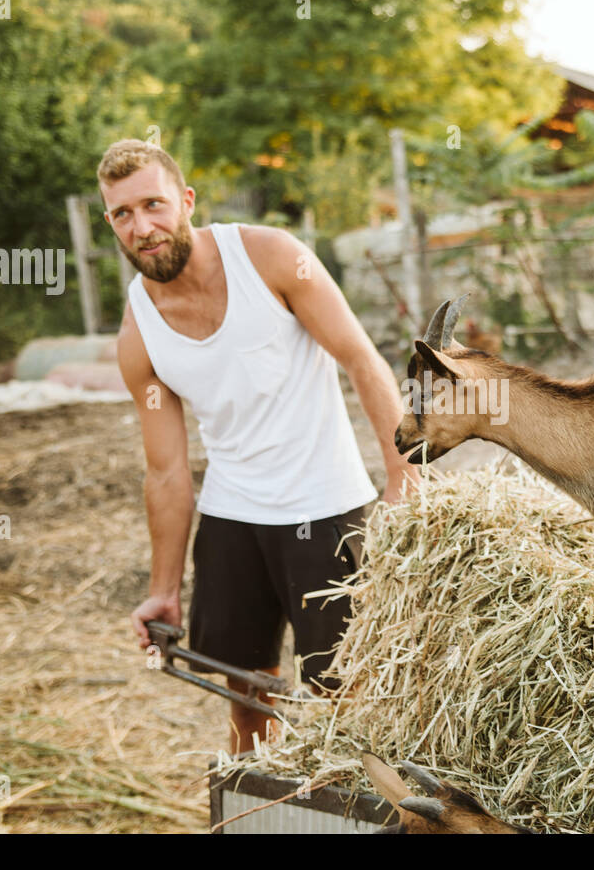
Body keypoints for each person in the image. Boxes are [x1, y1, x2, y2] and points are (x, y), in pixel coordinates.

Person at [101, 139, 418, 753]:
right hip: (232, 520)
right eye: (122, 214)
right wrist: (163, 589)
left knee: (343, 697)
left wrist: (402, 479)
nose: (143, 228)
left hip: (325, 510)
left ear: (186, 201)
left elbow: (360, 358)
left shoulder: (271, 257)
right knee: (246, 696)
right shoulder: (138, 332)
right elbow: (166, 473)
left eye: (154, 205)